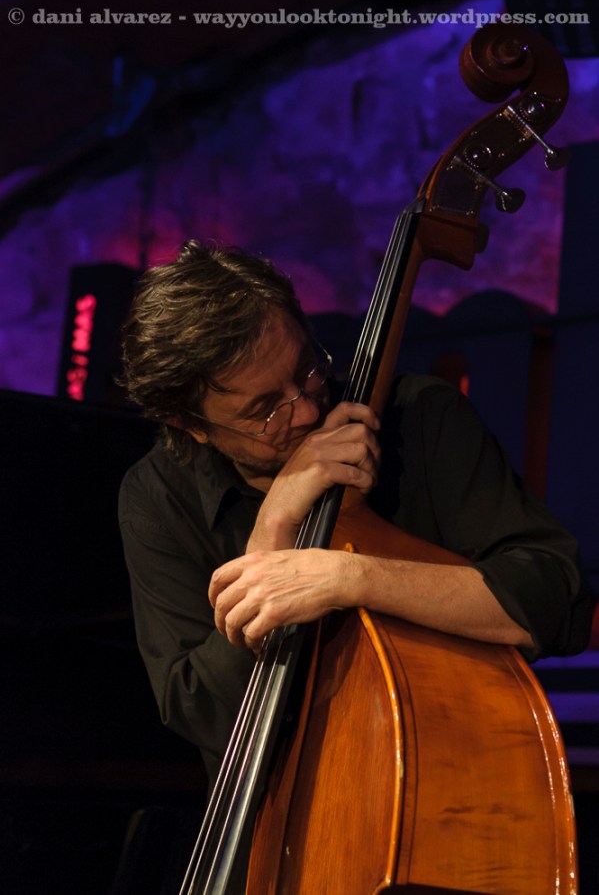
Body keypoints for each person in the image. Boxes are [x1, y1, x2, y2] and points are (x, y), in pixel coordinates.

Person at [118, 240, 592, 794]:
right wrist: (273, 526)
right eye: (264, 410)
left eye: (307, 370)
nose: (307, 410)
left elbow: (557, 601)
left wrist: (353, 577)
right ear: (192, 425)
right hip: (283, 812)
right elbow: (200, 714)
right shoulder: (158, 496)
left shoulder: (419, 417)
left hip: (453, 782)